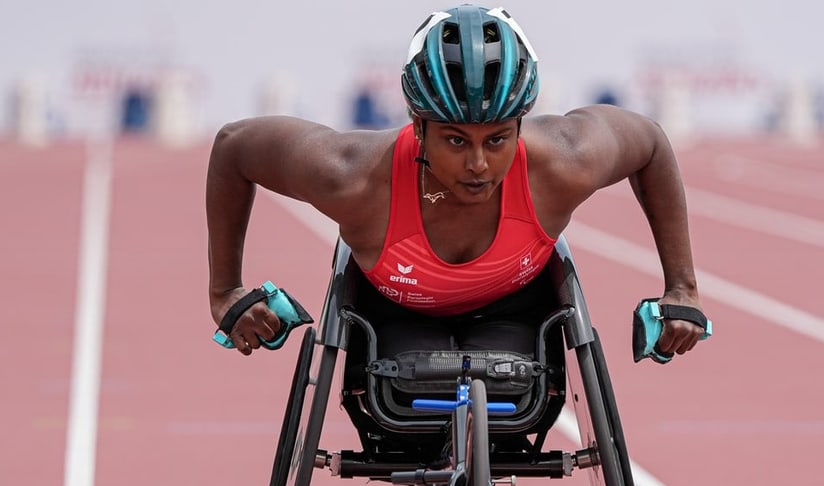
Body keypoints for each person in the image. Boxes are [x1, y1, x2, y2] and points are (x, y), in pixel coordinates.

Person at [206, 4, 707, 361]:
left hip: (519, 311)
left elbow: (651, 144)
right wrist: (226, 292)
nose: (478, 166)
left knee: (512, 385)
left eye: (496, 140)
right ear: (417, 126)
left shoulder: (564, 160)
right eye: (455, 141)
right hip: (394, 318)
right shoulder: (351, 176)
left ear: (519, 126)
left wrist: (682, 288)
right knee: (405, 388)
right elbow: (233, 146)